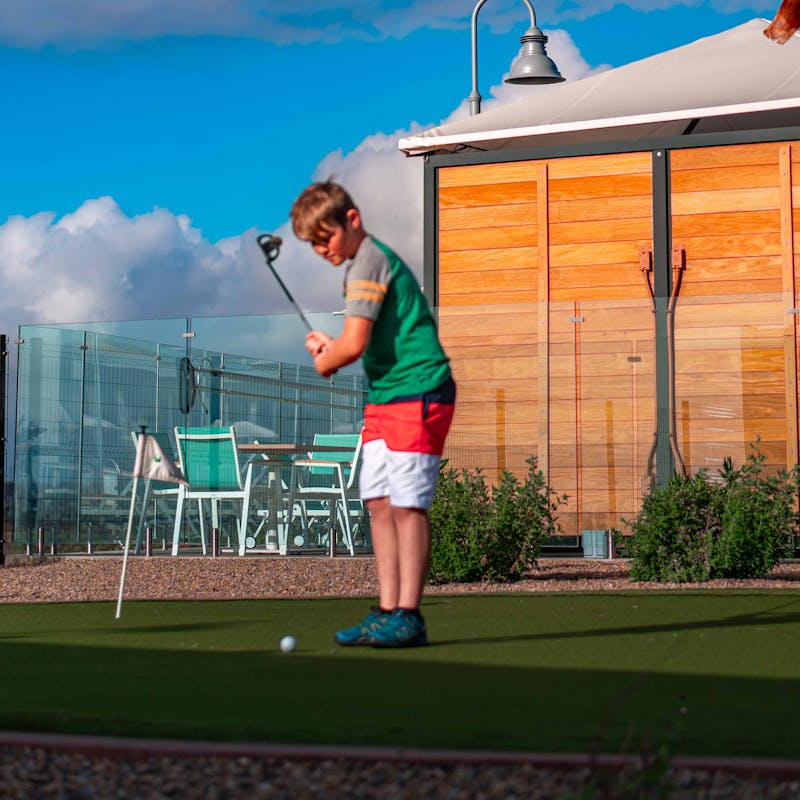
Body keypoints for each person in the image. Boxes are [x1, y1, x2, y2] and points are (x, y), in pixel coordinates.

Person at [290, 181, 456, 648]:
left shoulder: (369, 261)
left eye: (326, 238)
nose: (322, 249)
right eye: (314, 244)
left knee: (406, 505)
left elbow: (354, 344)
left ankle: (410, 614)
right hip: (385, 397)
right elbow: (353, 340)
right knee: (378, 502)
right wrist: (333, 347)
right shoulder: (357, 267)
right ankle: (386, 611)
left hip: (419, 391)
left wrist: (328, 357)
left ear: (353, 220)